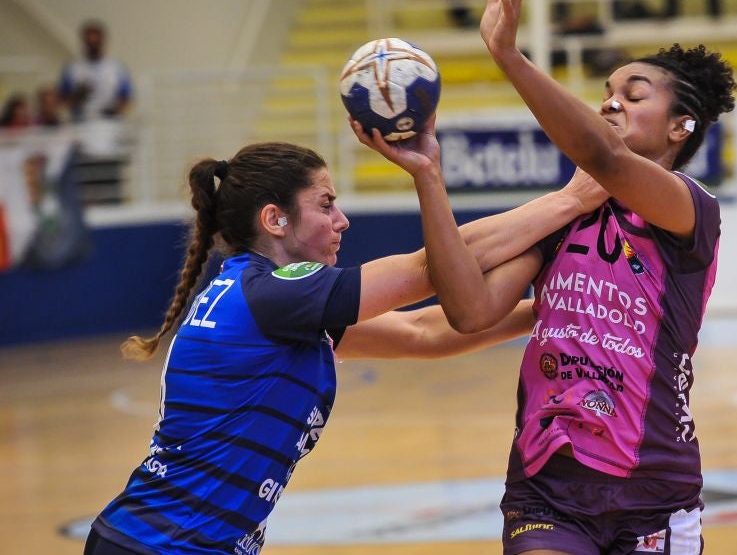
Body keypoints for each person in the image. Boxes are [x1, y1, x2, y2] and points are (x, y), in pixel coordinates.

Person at [361, 0, 737, 552]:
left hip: (654, 486)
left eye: (633, 96)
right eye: (607, 94)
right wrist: (428, 177)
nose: (611, 104)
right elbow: (469, 312)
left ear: (680, 127)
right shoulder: (563, 215)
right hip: (548, 487)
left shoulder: (690, 210)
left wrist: (511, 58)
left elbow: (607, 161)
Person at [84, 140, 605, 554]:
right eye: (326, 204)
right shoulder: (271, 294)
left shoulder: (272, 302)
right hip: (162, 545)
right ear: (274, 220)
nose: (342, 221)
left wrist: (554, 307)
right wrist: (570, 202)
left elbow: (424, 333)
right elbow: (432, 268)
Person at [58, 19, 132, 122]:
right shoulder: (72, 69)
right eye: (90, 43)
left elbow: (126, 98)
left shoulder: (116, 68)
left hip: (109, 123)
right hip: (80, 122)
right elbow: (62, 99)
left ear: (103, 42)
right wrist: (78, 96)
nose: (93, 46)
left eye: (96, 43)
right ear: (84, 42)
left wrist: (114, 111)